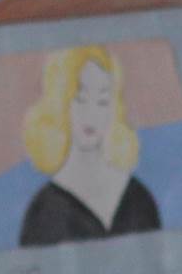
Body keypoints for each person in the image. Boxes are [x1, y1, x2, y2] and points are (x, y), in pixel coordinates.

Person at [19, 46, 161, 246]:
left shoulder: (138, 199)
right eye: (80, 99)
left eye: (102, 101)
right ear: (59, 103)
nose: (91, 114)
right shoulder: (44, 211)